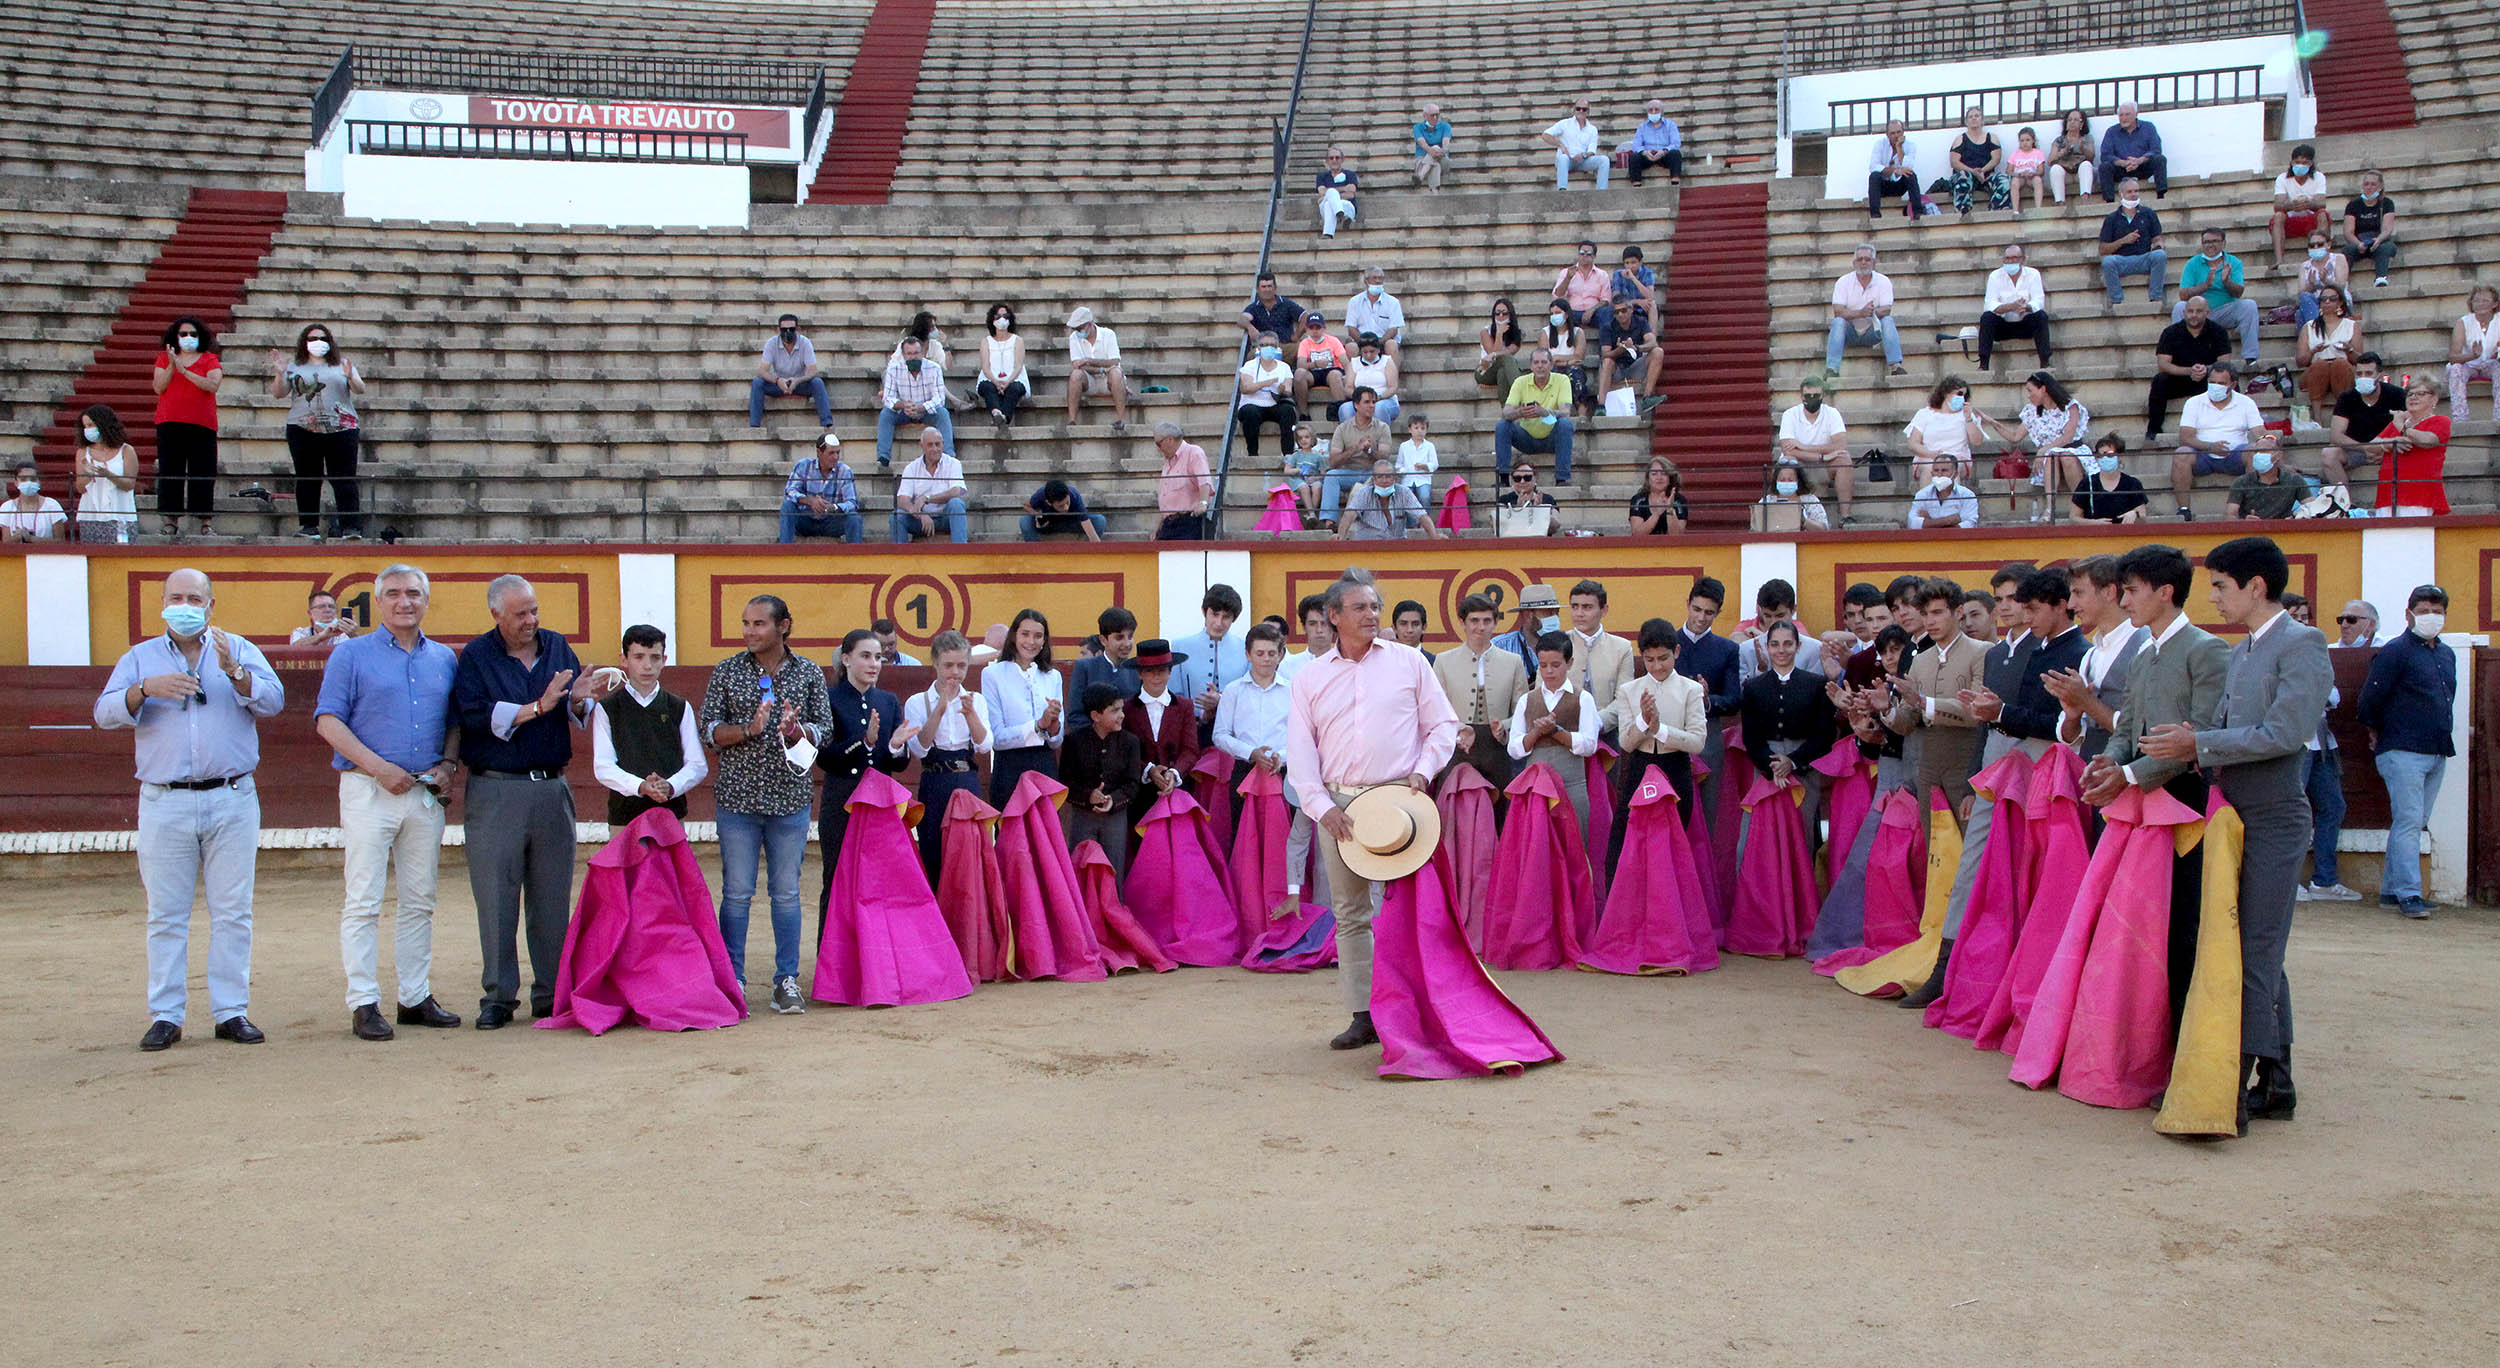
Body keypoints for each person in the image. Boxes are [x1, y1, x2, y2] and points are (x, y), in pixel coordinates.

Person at [2140, 537, 2329, 1127]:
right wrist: (2186, 745)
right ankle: (2276, 1081)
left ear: (2255, 586)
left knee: (2253, 950)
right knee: (2253, 947)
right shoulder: (2246, 649)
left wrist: (2199, 743)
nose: (2214, 597)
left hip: (2273, 815)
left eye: (2221, 586)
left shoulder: (2303, 643)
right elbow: (2225, 730)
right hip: (2235, 813)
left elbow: (2284, 733)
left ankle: (2230, 1082)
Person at [97, 568, 284, 1050]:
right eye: (176, 597)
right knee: (165, 914)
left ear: (211, 605)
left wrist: (236, 673)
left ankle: (230, 1011)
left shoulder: (237, 649)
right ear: (162, 603)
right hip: (165, 800)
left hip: (232, 795)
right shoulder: (139, 658)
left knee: (233, 911)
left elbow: (275, 702)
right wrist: (144, 690)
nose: (186, 604)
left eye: (195, 597)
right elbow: (104, 713)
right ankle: (166, 1014)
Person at [1285, 571, 1460, 1050]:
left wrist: (1422, 774)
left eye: (1374, 606)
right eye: (1360, 608)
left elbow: (1443, 725)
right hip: (1339, 804)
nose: (1372, 615)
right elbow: (1300, 753)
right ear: (1334, 617)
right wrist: (1322, 807)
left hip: (1399, 802)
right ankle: (1364, 1014)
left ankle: (1410, 1007)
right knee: (1350, 914)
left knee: (1405, 911)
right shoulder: (1310, 678)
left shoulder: (1410, 663)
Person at [452, 574, 614, 1027]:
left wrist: (581, 701)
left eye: (534, 610)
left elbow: (573, 706)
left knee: (551, 897)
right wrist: (539, 706)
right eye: (520, 613)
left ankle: (551, 992)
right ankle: (499, 997)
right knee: (496, 897)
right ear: (496, 615)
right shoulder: (476, 657)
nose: (531, 620)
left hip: (550, 786)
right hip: (495, 787)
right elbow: (474, 717)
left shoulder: (558, 647)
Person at [313, 563, 463, 1041]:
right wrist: (379, 768)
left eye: (414, 593)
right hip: (367, 789)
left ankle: (414, 996)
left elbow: (454, 723)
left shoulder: (444, 658)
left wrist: (449, 766)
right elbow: (328, 722)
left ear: (426, 600)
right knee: (363, 899)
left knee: (420, 900)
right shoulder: (350, 655)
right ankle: (363, 1002)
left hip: (424, 793)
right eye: (395, 593)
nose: (405, 601)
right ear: (378, 602)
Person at [702, 595, 834, 1015]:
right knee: (737, 893)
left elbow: (825, 730)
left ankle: (787, 980)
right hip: (738, 799)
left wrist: (799, 730)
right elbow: (709, 730)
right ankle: (733, 979)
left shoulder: (809, 672)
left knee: (787, 893)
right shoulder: (726, 671)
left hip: (790, 799)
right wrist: (749, 728)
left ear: (784, 626)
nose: (748, 631)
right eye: (745, 623)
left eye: (758, 624)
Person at [2360, 584, 2453, 919]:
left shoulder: (2445, 654)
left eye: (2438, 611)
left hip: (2435, 749)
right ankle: (2409, 894)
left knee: (2412, 822)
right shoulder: (2395, 652)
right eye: (2425, 609)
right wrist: (2374, 731)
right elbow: (2370, 699)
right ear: (2408, 613)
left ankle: (2390, 890)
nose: (2432, 616)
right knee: (2410, 822)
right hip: (2401, 749)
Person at [816, 625, 909, 909]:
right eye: (866, 656)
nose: (874, 664)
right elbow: (825, 758)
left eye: (878, 657)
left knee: (879, 881)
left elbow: (900, 765)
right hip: (841, 802)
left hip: (879, 804)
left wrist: (894, 746)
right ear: (846, 659)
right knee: (836, 880)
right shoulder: (830, 699)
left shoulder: (888, 701)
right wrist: (864, 742)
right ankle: (830, 953)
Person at [1884, 577, 1986, 813]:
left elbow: (1977, 712)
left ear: (1958, 612)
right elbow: (1909, 720)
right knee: (1934, 846)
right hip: (1927, 767)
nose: (1929, 621)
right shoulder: (1920, 660)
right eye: (1925, 613)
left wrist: (1922, 702)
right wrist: (1886, 710)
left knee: (1967, 842)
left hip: (1966, 764)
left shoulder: (1981, 652)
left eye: (1937, 612)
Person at [900, 630, 992, 887]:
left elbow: (984, 746)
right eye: (948, 665)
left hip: (966, 778)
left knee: (969, 851)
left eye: (961, 665)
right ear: (935, 663)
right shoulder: (918, 702)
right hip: (934, 778)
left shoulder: (977, 700)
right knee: (933, 847)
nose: (955, 672)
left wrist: (971, 715)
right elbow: (920, 749)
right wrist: (939, 710)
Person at [591, 624, 706, 828]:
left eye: (654, 657)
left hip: (671, 814)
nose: (647, 666)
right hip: (625, 817)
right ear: (624, 660)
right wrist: (640, 786)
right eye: (639, 657)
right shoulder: (608, 708)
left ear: (664, 661)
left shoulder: (678, 706)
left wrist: (670, 786)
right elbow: (603, 766)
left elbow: (697, 764)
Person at [1611, 619, 1704, 860]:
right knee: (1629, 844)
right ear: (1642, 656)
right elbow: (1626, 743)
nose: (1657, 666)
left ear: (1677, 652)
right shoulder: (1629, 690)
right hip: (1639, 769)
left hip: (1675, 769)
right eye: (1650, 660)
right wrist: (1643, 720)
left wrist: (1660, 729)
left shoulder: (1691, 690)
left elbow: (1697, 742)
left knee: (1671, 846)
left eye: (1663, 658)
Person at [1739, 620, 1836, 847]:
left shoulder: (1816, 684)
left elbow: (1824, 735)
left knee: (1800, 836)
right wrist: (1772, 765)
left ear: (1798, 646)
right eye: (1775, 644)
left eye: (1787, 644)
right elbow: (1751, 736)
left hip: (1804, 766)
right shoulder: (1754, 687)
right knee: (1757, 838)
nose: (1781, 650)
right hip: (1766, 766)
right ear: (1767, 647)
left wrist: (1792, 762)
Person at [267, 323, 365, 539]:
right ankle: (309, 525)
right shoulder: (295, 367)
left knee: (344, 478)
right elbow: (279, 393)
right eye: (312, 339)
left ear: (329, 342)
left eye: (322, 338)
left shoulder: (343, 364)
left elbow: (360, 388)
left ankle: (351, 526)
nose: (317, 343)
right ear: (304, 343)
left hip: (342, 428)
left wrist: (350, 376)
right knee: (307, 478)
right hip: (302, 428)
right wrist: (280, 373)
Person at [2043, 555, 2144, 761]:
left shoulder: (2146, 646)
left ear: (2109, 592)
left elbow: (2141, 732)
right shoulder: (2091, 654)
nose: (2071, 604)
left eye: (2078, 593)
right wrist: (2073, 715)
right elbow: (2071, 738)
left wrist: (2086, 702)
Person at [1508, 630, 1600, 831]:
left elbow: (1589, 745)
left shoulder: (1583, 699)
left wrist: (1556, 731)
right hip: (1536, 789)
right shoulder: (1527, 700)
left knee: (1574, 846)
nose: (1549, 671)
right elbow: (1514, 748)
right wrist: (1536, 733)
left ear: (1570, 663)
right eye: (1543, 666)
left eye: (1555, 665)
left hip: (1572, 786)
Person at [1435, 592, 1528, 788]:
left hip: (1496, 745)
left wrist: (1504, 726)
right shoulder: (1444, 661)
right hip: (1458, 744)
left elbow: (1522, 710)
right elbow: (1436, 710)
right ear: (1463, 622)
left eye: (1487, 620)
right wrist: (1457, 730)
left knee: (1499, 808)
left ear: (1495, 622)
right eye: (1474, 620)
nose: (1481, 627)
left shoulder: (1513, 662)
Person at [1214, 621, 1297, 835]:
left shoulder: (1293, 691)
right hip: (1245, 770)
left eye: (1272, 653)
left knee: (1283, 835)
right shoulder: (1233, 691)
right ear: (1248, 655)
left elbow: (1303, 738)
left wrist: (1280, 756)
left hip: (1284, 772)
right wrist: (1250, 753)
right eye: (1259, 653)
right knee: (1244, 834)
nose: (1266, 659)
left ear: (1281, 655)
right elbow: (1220, 735)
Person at [2170, 361, 2278, 519]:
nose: (2215, 386)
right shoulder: (2193, 403)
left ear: (2233, 384)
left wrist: (2269, 442)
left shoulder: (2246, 402)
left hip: (2235, 455)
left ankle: (2252, 508)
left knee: (2254, 452)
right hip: (2202, 455)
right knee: (2181, 454)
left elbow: (2259, 432)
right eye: (2212, 382)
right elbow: (2185, 438)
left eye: (2221, 383)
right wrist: (2209, 447)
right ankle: (2184, 510)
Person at [982, 608, 1064, 807]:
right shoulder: (993, 674)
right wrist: (1038, 726)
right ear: (1014, 636)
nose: (1031, 641)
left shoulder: (1053, 676)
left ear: (1044, 640)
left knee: (1044, 834)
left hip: (1044, 764)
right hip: (1009, 767)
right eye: (1025, 634)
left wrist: (1052, 726)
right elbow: (997, 738)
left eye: (1038, 636)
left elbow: (1056, 741)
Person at [151, 315, 223, 538]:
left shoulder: (209, 359)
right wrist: (173, 365)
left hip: (202, 424)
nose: (188, 338)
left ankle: (205, 522)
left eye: (193, 334)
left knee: (202, 472)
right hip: (170, 422)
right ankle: (170, 521)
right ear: (175, 337)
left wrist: (186, 371)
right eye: (183, 334)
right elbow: (158, 387)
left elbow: (212, 385)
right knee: (170, 472)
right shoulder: (164, 359)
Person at [1060, 684, 1144, 870]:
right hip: (1083, 816)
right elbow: (1065, 782)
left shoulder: (1130, 742)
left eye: (1121, 709)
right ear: (1095, 716)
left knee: (1114, 873)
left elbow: (1133, 784)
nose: (1122, 715)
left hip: (1116, 817)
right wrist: (1088, 796)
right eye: (1114, 710)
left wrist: (1113, 800)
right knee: (1081, 869)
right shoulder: (1074, 741)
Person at [1123, 638, 1198, 833]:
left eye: (1162, 670)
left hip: (1177, 789)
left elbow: (1190, 750)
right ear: (1140, 673)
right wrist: (1148, 770)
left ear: (1170, 672)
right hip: (1140, 794)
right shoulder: (1127, 708)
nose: (1156, 676)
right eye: (1150, 671)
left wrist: (1174, 774)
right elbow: (1123, 751)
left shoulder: (1184, 706)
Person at [2172, 229, 2263, 365]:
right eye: (2206, 242)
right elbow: (2183, 295)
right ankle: (2180, 356)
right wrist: (2205, 285)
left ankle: (2251, 357)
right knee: (2179, 307)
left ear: (2223, 243)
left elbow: (2238, 293)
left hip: (2225, 311)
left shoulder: (2234, 262)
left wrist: (2227, 281)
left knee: (2249, 305)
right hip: (2200, 313)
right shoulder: (2192, 263)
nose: (2210, 245)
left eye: (2215, 241)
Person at [2147, 294, 2232, 438]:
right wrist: (2189, 371)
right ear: (2184, 312)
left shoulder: (2218, 332)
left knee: (2230, 383)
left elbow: (2225, 362)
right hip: (2180, 378)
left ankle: (2228, 427)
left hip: (2208, 379)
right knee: (2159, 381)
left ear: (2207, 313)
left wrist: (2207, 369)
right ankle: (2153, 429)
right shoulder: (2171, 332)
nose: (2194, 315)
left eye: (2199, 311)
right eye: (2190, 311)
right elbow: (2163, 364)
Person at [1563, 578, 1636, 740]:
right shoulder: (1558, 643)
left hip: (1606, 734)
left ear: (1604, 610)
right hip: (1563, 734)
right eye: (1575, 607)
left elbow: (1625, 699)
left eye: (1587, 607)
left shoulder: (1621, 648)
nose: (1579, 613)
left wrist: (1597, 721)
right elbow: (1542, 693)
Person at [1775, 377, 1853, 521]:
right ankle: (1788, 514)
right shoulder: (1790, 415)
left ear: (1823, 395)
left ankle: (1845, 516)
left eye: (1816, 396)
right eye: (1808, 396)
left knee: (1844, 459)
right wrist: (1821, 456)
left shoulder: (1832, 413)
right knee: (1788, 461)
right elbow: (1788, 450)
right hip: (1800, 465)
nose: (1812, 399)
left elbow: (1840, 445)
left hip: (1823, 466)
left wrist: (1804, 446)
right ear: (1801, 396)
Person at [2371, 378, 2451, 516]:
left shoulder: (2440, 421)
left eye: (2420, 394)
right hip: (2389, 493)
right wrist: (2392, 443)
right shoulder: (2397, 423)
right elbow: (2371, 445)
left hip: (2420, 494)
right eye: (2410, 394)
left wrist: (2401, 428)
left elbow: (2429, 441)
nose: (2413, 397)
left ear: (2434, 399)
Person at [1496, 349, 1576, 486]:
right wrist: (1520, 412)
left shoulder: (1562, 380)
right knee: (1503, 425)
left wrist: (1545, 412)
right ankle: (1502, 478)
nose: (1540, 366)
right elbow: (1505, 412)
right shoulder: (1520, 382)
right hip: (1526, 438)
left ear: (1551, 365)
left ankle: (1562, 478)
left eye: (1544, 362)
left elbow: (1566, 412)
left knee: (1565, 424)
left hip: (1552, 438)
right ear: (1531, 366)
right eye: (1536, 362)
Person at [1172, 583, 1246, 731]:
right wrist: (1200, 714)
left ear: (1234, 618)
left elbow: (1249, 694)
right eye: (1214, 614)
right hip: (1190, 728)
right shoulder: (1180, 646)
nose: (1218, 623)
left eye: (1226, 617)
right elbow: (1174, 695)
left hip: (1235, 729)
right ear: (1204, 612)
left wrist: (1221, 699)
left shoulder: (1245, 648)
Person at [2085, 177, 2169, 306]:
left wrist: (2158, 244)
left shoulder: (2149, 213)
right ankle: (2116, 300)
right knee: (2108, 262)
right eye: (2130, 191)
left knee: (2160, 255)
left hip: (2144, 258)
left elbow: (2157, 237)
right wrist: (2123, 241)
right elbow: (2102, 249)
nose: (2134, 194)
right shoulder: (2112, 219)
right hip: (2122, 261)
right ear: (2121, 194)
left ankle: (2156, 297)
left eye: (2136, 191)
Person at [1826, 244, 1905, 378]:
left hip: (1873, 331)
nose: (1863, 262)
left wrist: (1871, 312)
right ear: (1854, 262)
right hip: (1849, 332)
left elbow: (1887, 309)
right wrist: (1861, 313)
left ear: (1874, 263)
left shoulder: (1883, 281)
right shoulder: (1843, 282)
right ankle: (1832, 369)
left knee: (1888, 321)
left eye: (1867, 259)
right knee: (1838, 322)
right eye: (1860, 259)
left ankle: (1896, 366)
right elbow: (1838, 311)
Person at [874, 333, 952, 471]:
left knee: (943, 413)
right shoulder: (894, 369)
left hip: (926, 410)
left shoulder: (934, 368)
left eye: (916, 353)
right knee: (886, 414)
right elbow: (888, 397)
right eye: (909, 354)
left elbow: (939, 398)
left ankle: (948, 456)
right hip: (904, 411)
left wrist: (921, 407)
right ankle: (883, 458)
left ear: (922, 353)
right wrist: (903, 405)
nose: (913, 356)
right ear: (903, 355)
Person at [2326, 353, 2402, 489]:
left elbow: (2409, 428)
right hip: (2357, 450)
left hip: (2391, 449)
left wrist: (2385, 450)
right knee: (2329, 454)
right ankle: (2344, 504)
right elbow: (2336, 435)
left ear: (2380, 375)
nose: (2363, 378)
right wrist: (2367, 448)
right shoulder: (2347, 398)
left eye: (2368, 373)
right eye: (2359, 374)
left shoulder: (2397, 395)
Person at [1976, 242, 2052, 371]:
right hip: (2003, 326)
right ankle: (1983, 364)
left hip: (2025, 323)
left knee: (2041, 316)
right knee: (1987, 318)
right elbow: (1990, 304)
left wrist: (2025, 307)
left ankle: (2045, 361)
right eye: (2008, 258)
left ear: (2022, 259)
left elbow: (2038, 301)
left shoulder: (2033, 274)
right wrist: (2011, 306)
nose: (2011, 261)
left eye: (2015, 258)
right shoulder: (1995, 276)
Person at [778, 432, 863, 544]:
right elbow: (789, 492)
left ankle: (855, 556)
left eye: (837, 452)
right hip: (805, 520)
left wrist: (833, 507)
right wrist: (809, 501)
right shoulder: (803, 466)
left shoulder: (845, 471)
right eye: (831, 453)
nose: (836, 457)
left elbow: (852, 502)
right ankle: (785, 552)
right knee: (788, 506)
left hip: (830, 522)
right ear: (819, 452)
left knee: (854, 517)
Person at [71, 404, 138, 544]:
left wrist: (108, 474)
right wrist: (89, 475)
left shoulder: (126, 450)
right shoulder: (83, 452)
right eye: (85, 426)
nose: (88, 430)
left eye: (91, 425)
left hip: (121, 515)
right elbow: (80, 488)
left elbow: (129, 485)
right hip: (91, 515)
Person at [749, 313, 831, 427]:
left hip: (799, 383)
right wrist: (778, 381)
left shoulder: (805, 343)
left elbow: (814, 371)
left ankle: (827, 423)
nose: (787, 332)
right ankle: (754, 425)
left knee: (817, 382)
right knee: (757, 383)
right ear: (778, 330)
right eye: (784, 330)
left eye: (791, 329)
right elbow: (762, 371)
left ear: (797, 329)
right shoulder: (771, 343)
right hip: (778, 384)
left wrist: (797, 381)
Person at [891, 426, 969, 544]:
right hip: (920, 521)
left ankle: (961, 552)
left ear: (943, 444)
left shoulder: (954, 463)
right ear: (921, 446)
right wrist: (920, 514)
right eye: (930, 445)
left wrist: (927, 498)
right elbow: (902, 501)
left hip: (945, 517)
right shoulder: (911, 468)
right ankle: (900, 559)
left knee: (956, 503)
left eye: (938, 444)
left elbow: (956, 491)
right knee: (897, 516)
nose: (935, 449)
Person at [1904, 375, 1985, 485]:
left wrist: (1969, 419)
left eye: (1964, 396)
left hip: (1957, 459)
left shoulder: (1967, 415)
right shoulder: (1924, 414)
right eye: (1959, 394)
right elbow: (1913, 443)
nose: (1962, 398)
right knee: (1930, 469)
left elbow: (1977, 441)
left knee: (1950, 469)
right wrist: (1932, 454)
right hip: (1929, 457)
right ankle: (1927, 501)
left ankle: (1952, 502)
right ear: (1946, 393)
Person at [2295, 284, 2363, 412]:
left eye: (2332, 299)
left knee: (2339, 364)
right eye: (2323, 299)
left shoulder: (2351, 325)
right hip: (2316, 370)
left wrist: (2349, 349)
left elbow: (2359, 360)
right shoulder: (2309, 326)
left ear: (2340, 302)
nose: (2327, 302)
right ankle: (2317, 417)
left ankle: (2342, 413)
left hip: (2343, 368)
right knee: (2320, 365)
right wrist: (2313, 351)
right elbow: (2300, 362)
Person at [1234, 331, 1299, 464]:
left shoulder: (1284, 367)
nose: (1268, 348)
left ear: (1277, 347)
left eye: (1272, 345)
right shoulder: (1250, 366)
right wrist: (1265, 383)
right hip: (1253, 404)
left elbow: (1288, 389)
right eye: (1264, 345)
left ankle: (1288, 453)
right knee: (1249, 412)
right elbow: (1245, 388)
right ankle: (1253, 453)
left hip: (1275, 404)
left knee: (1288, 411)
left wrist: (1283, 390)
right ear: (1259, 348)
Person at [1064, 307, 1129, 431]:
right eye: (1075, 329)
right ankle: (1072, 420)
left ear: (1089, 324)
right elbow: (1078, 365)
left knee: (1116, 373)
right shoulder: (1074, 338)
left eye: (1079, 328)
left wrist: (1089, 360)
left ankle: (1121, 419)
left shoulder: (1108, 334)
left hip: (1110, 380)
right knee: (1075, 375)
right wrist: (1102, 369)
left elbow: (1115, 361)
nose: (1077, 331)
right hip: (1090, 380)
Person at [1340, 460, 1437, 540]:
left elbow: (1422, 516)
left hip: (1398, 546)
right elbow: (1349, 515)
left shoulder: (1404, 492)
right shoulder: (1363, 492)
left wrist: (1434, 536)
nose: (1384, 480)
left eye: (1388, 476)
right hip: (1368, 546)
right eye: (1380, 476)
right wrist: (1341, 537)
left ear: (1395, 478)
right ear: (1373, 479)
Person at [2271, 146, 2333, 272]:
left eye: (2305, 162)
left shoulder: (2318, 177)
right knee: (2278, 216)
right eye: (2297, 162)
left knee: (2322, 214)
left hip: (2310, 219)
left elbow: (2321, 202)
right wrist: (2291, 206)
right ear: (2291, 162)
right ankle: (2279, 259)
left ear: (2311, 164)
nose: (2300, 165)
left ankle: (2321, 257)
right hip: (2291, 220)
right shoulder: (2282, 178)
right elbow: (2278, 205)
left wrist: (2308, 204)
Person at [1594, 297, 1663, 409]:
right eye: (1616, 312)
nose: (1620, 314)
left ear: (1631, 309)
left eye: (1623, 310)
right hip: (1616, 369)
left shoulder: (1640, 322)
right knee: (1607, 362)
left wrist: (1637, 347)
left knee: (1657, 352)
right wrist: (1619, 350)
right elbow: (1605, 354)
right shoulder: (1608, 327)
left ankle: (1648, 397)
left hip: (1636, 365)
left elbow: (1652, 342)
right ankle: (1601, 404)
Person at [1150, 421, 1215, 541]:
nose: (1159, 449)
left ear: (1169, 439)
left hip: (1188, 521)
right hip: (1168, 524)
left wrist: (1203, 503)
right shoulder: (1168, 462)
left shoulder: (1193, 452)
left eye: (1159, 444)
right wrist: (1157, 527)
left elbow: (1204, 481)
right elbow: (1166, 498)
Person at [2445, 284, 2498, 419]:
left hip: (2493, 364)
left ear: (2495, 304)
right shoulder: (2463, 322)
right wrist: (2472, 355)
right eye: (2476, 301)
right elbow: (2453, 357)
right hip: (2469, 364)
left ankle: (2499, 416)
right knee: (2454, 368)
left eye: (2485, 301)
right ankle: (2460, 417)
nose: (2480, 304)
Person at [2095, 102, 2166, 200]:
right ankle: (2109, 201)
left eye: (2127, 114)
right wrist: (2123, 163)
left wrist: (2139, 160)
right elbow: (2106, 155)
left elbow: (2156, 149)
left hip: (2142, 167)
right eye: (2121, 115)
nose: (2124, 118)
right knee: (2104, 167)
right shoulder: (2111, 131)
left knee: (2160, 159)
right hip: (2122, 169)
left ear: (2136, 114)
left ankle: (2160, 196)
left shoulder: (2148, 127)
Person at [1945, 107, 2009, 215]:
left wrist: (1982, 171)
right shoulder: (1960, 139)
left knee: (2003, 180)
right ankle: (1964, 215)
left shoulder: (1992, 137)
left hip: (1986, 176)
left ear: (1982, 120)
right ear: (1966, 122)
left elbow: (1996, 159)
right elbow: (1954, 162)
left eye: (1977, 116)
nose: (1974, 118)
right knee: (1963, 177)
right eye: (1970, 117)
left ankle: (1996, 214)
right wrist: (1973, 172)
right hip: (1967, 176)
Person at [2340, 170, 2398, 288]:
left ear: (2380, 187)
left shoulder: (2387, 203)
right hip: (2359, 241)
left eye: (2373, 184)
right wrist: (2358, 244)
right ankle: (2342, 282)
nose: (2369, 187)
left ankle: (2381, 277)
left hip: (2379, 241)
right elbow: (2348, 232)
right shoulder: (2353, 205)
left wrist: (2378, 240)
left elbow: (2387, 229)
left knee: (2386, 248)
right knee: (2347, 251)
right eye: (2366, 184)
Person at [2071, 435, 2148, 524]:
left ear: (2120, 456)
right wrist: (2093, 523)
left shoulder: (2133, 483)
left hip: (2124, 535)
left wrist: (2135, 514)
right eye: (2100, 455)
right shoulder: (2087, 483)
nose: (2105, 458)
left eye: (2110, 455)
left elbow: (2143, 518)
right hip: (2094, 535)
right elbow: (2073, 518)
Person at [976, 303, 1030, 426]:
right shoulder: (986, 341)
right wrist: (996, 382)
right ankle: (996, 414)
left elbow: (1018, 366)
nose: (1002, 319)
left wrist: (1007, 382)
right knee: (987, 386)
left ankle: (1003, 418)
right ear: (992, 320)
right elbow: (985, 367)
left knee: (1014, 388)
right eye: (998, 316)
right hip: (991, 378)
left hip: (1014, 379)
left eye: (1005, 316)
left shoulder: (1017, 340)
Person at [1072, 605, 1142, 700]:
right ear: (1103, 640)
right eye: (1119, 637)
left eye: (1130, 637)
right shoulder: (1085, 667)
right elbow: (1076, 713)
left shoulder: (1137, 669)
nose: (1127, 644)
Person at [1866, 119, 1929, 220]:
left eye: (1898, 132)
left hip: (1899, 186)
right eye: (1892, 133)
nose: (1896, 135)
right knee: (1874, 176)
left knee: (1910, 175)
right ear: (1887, 134)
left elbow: (1908, 166)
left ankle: (1918, 212)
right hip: (1883, 186)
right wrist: (1895, 171)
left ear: (1903, 132)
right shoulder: (1879, 144)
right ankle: (1875, 215)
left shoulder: (1910, 145)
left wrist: (1899, 148)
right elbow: (1873, 166)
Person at [1343, 267, 1406, 361]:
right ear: (1366, 281)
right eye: (1374, 278)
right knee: (1351, 347)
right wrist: (1365, 342)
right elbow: (1351, 329)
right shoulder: (1355, 301)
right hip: (1362, 340)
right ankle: (1353, 375)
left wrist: (1379, 342)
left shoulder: (1393, 302)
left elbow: (1394, 329)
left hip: (1384, 341)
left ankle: (1393, 375)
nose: (1378, 281)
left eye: (1380, 278)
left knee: (1392, 345)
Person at [1338, 333, 1402, 425]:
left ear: (1378, 350)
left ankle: (1380, 437)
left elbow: (1393, 387)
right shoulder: (1354, 362)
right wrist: (1361, 399)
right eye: (1365, 352)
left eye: (1372, 351)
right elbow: (1348, 388)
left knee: (1379, 408)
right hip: (1360, 401)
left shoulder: (1386, 361)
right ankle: (1351, 438)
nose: (1368, 355)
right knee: (1345, 409)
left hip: (1383, 400)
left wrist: (1377, 398)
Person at [1544, 98, 1608, 189]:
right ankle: (1562, 189)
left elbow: (1592, 151)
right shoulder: (1564, 124)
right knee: (1563, 158)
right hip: (1567, 160)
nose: (1581, 111)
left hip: (1583, 161)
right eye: (1578, 108)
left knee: (1604, 160)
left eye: (1584, 109)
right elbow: (1545, 135)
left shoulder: (1592, 129)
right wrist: (1561, 145)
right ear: (1574, 110)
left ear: (1588, 112)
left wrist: (1583, 155)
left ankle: (1602, 191)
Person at [1294, 310, 1351, 411]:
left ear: (1324, 328)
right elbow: (1300, 365)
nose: (1315, 331)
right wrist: (1315, 364)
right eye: (1311, 328)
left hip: (1331, 371)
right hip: (1313, 373)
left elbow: (1345, 362)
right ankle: (1303, 412)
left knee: (1335, 375)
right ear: (1306, 329)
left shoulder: (1333, 341)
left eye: (1318, 327)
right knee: (1299, 374)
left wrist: (1349, 378)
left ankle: (1341, 410)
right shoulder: (1304, 343)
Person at [1751, 463, 1830, 532]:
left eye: (1790, 479)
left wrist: (1803, 521)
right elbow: (1755, 527)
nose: (1786, 482)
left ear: (1798, 482)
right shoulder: (1767, 500)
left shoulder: (1810, 500)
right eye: (1782, 480)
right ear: (1776, 482)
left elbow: (1824, 528)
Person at [1020, 479, 1106, 541]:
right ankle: (1037, 551)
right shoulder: (1040, 495)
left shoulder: (1074, 495)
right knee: (1024, 520)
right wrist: (1037, 515)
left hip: (1072, 523)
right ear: (1049, 503)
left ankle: (1085, 550)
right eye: (1060, 506)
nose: (1066, 508)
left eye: (1067, 503)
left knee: (1100, 520)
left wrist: (1096, 544)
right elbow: (1026, 506)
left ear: (1068, 494)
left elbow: (1085, 521)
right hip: (1049, 524)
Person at [1495, 462, 1564, 537]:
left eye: (1527, 478)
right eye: (1517, 478)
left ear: (1535, 478)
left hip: (1541, 544)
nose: (1522, 481)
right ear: (1512, 480)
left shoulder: (1547, 499)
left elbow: (1555, 527)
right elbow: (1499, 527)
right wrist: (1518, 512)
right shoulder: (1504, 500)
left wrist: (1539, 511)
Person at [1623, 99, 1683, 185]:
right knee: (1634, 156)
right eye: (1650, 110)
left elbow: (1676, 143)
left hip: (1664, 154)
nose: (1653, 112)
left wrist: (1663, 151)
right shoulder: (1642, 127)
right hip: (1648, 155)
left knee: (1676, 154)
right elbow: (1636, 145)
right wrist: (1645, 152)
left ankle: (1675, 184)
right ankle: (1636, 186)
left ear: (1661, 112)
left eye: (1656, 109)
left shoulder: (1671, 125)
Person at [1552, 240, 1610, 327]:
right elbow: (1558, 296)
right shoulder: (1566, 272)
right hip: (1573, 312)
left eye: (1588, 253)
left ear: (1594, 256)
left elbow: (1605, 300)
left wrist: (1591, 311)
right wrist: (1568, 278)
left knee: (1607, 313)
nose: (1584, 256)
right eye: (1582, 253)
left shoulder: (1602, 275)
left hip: (1594, 313)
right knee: (1561, 315)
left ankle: (1606, 341)